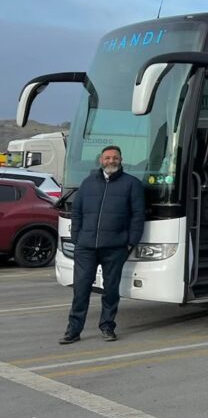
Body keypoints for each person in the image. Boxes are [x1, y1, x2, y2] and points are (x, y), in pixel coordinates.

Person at [59, 146, 145, 344]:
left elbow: (138, 216)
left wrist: (130, 242)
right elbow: (77, 213)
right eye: (107, 157)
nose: (111, 161)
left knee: (111, 290)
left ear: (121, 160)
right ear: (101, 160)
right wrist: (76, 238)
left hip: (115, 248)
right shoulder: (88, 184)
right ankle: (73, 330)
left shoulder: (132, 184)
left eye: (115, 158)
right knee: (80, 289)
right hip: (86, 247)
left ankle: (107, 327)